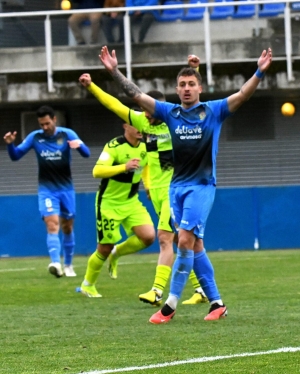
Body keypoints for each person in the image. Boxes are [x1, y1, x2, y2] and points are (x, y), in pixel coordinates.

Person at [98, 44, 272, 323]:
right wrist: (115, 71)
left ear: (199, 88)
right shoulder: (169, 113)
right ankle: (217, 303)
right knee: (196, 245)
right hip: (175, 188)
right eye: (182, 84)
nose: (187, 88)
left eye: (191, 83)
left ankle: (169, 304)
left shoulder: (213, 111)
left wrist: (259, 73)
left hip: (201, 187)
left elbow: (242, 95)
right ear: (177, 90)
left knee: (185, 241)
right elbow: (136, 95)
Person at [77, 54, 209, 307]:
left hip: (177, 188)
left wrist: (195, 69)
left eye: (150, 110)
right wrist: (92, 86)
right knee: (184, 240)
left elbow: (197, 103)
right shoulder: (141, 120)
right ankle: (201, 289)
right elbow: (114, 105)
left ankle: (157, 291)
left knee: (165, 238)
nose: (144, 115)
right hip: (158, 193)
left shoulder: (175, 120)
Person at [4, 106, 90, 278]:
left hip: (66, 189)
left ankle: (68, 264)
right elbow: (15, 156)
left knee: (67, 226)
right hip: (47, 190)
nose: (44, 127)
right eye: (41, 124)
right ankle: (56, 263)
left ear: (54, 120)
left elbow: (87, 154)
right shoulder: (35, 137)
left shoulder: (67, 134)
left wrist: (79, 146)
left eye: (47, 123)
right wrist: (10, 145)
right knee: (52, 224)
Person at [78, 122, 156, 297]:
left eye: (143, 125)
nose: (141, 129)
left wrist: (149, 186)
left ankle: (117, 253)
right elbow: (97, 171)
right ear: (125, 126)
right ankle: (87, 285)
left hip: (131, 201)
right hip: (108, 203)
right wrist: (124, 166)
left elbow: (146, 166)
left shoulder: (146, 146)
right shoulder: (114, 146)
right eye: (136, 125)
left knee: (149, 236)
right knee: (104, 247)